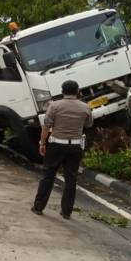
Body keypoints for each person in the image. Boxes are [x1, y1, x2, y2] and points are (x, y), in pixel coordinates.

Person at [31, 80, 93, 219]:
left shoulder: (54, 106)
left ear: (62, 91)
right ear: (78, 91)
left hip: (56, 145)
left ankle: (38, 207)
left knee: (48, 177)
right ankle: (66, 212)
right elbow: (89, 124)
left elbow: (46, 126)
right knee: (71, 178)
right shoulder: (85, 107)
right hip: (75, 146)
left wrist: (42, 143)